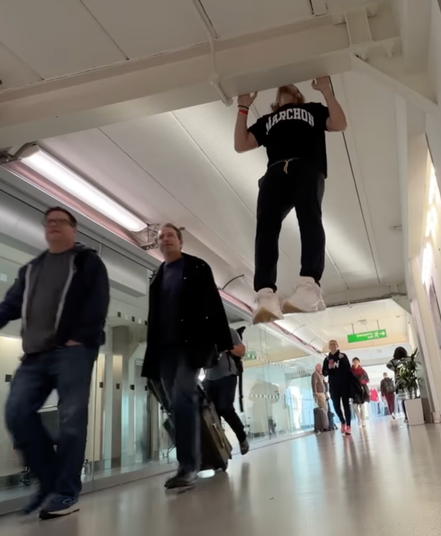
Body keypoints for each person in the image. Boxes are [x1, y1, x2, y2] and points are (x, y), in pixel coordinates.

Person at [0, 207, 109, 519]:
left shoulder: (86, 262)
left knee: (71, 419)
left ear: (74, 229)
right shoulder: (32, 268)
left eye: (61, 222)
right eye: (49, 222)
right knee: (16, 413)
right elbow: (11, 304)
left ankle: (67, 491)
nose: (53, 226)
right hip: (35, 355)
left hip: (73, 351)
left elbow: (98, 301)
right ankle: (49, 482)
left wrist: (80, 337)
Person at [234, 77, 348, 324]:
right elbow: (241, 144)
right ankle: (265, 293)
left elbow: (339, 123)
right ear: (275, 101)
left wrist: (327, 91)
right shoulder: (267, 121)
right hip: (275, 172)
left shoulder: (312, 110)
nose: (288, 87)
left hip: (307, 167)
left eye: (295, 88)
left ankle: (308, 285)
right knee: (265, 228)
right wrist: (243, 107)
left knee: (309, 219)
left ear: (299, 96)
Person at [141, 224, 233, 490]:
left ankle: (188, 467)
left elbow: (213, 303)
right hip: (165, 350)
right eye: (160, 238)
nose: (165, 239)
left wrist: (222, 342)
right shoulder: (157, 276)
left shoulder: (197, 267)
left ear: (180, 241)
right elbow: (155, 318)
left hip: (191, 346)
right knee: (178, 405)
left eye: (170, 235)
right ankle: (212, 455)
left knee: (182, 397)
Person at [202, 326, 250, 456]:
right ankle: (220, 450)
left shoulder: (229, 332)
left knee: (224, 407)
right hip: (209, 378)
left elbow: (242, 351)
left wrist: (226, 346)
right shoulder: (203, 333)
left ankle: (242, 438)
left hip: (227, 375)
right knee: (210, 414)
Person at [322, 340, 353, 435]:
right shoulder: (327, 359)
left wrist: (338, 366)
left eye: (334, 344)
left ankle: (348, 425)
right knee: (336, 405)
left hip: (344, 385)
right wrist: (329, 368)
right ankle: (342, 421)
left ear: (337, 345)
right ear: (329, 347)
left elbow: (348, 369)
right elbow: (324, 373)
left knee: (346, 405)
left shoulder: (343, 356)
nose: (332, 345)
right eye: (330, 344)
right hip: (333, 385)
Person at [351, 358, 370, 428]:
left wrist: (362, 382)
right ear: (352, 362)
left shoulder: (362, 371)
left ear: (359, 362)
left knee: (362, 406)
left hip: (361, 390)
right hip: (353, 390)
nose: (355, 363)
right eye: (354, 362)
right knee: (355, 406)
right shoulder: (350, 370)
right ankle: (359, 419)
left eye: (357, 362)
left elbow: (367, 379)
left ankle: (363, 420)